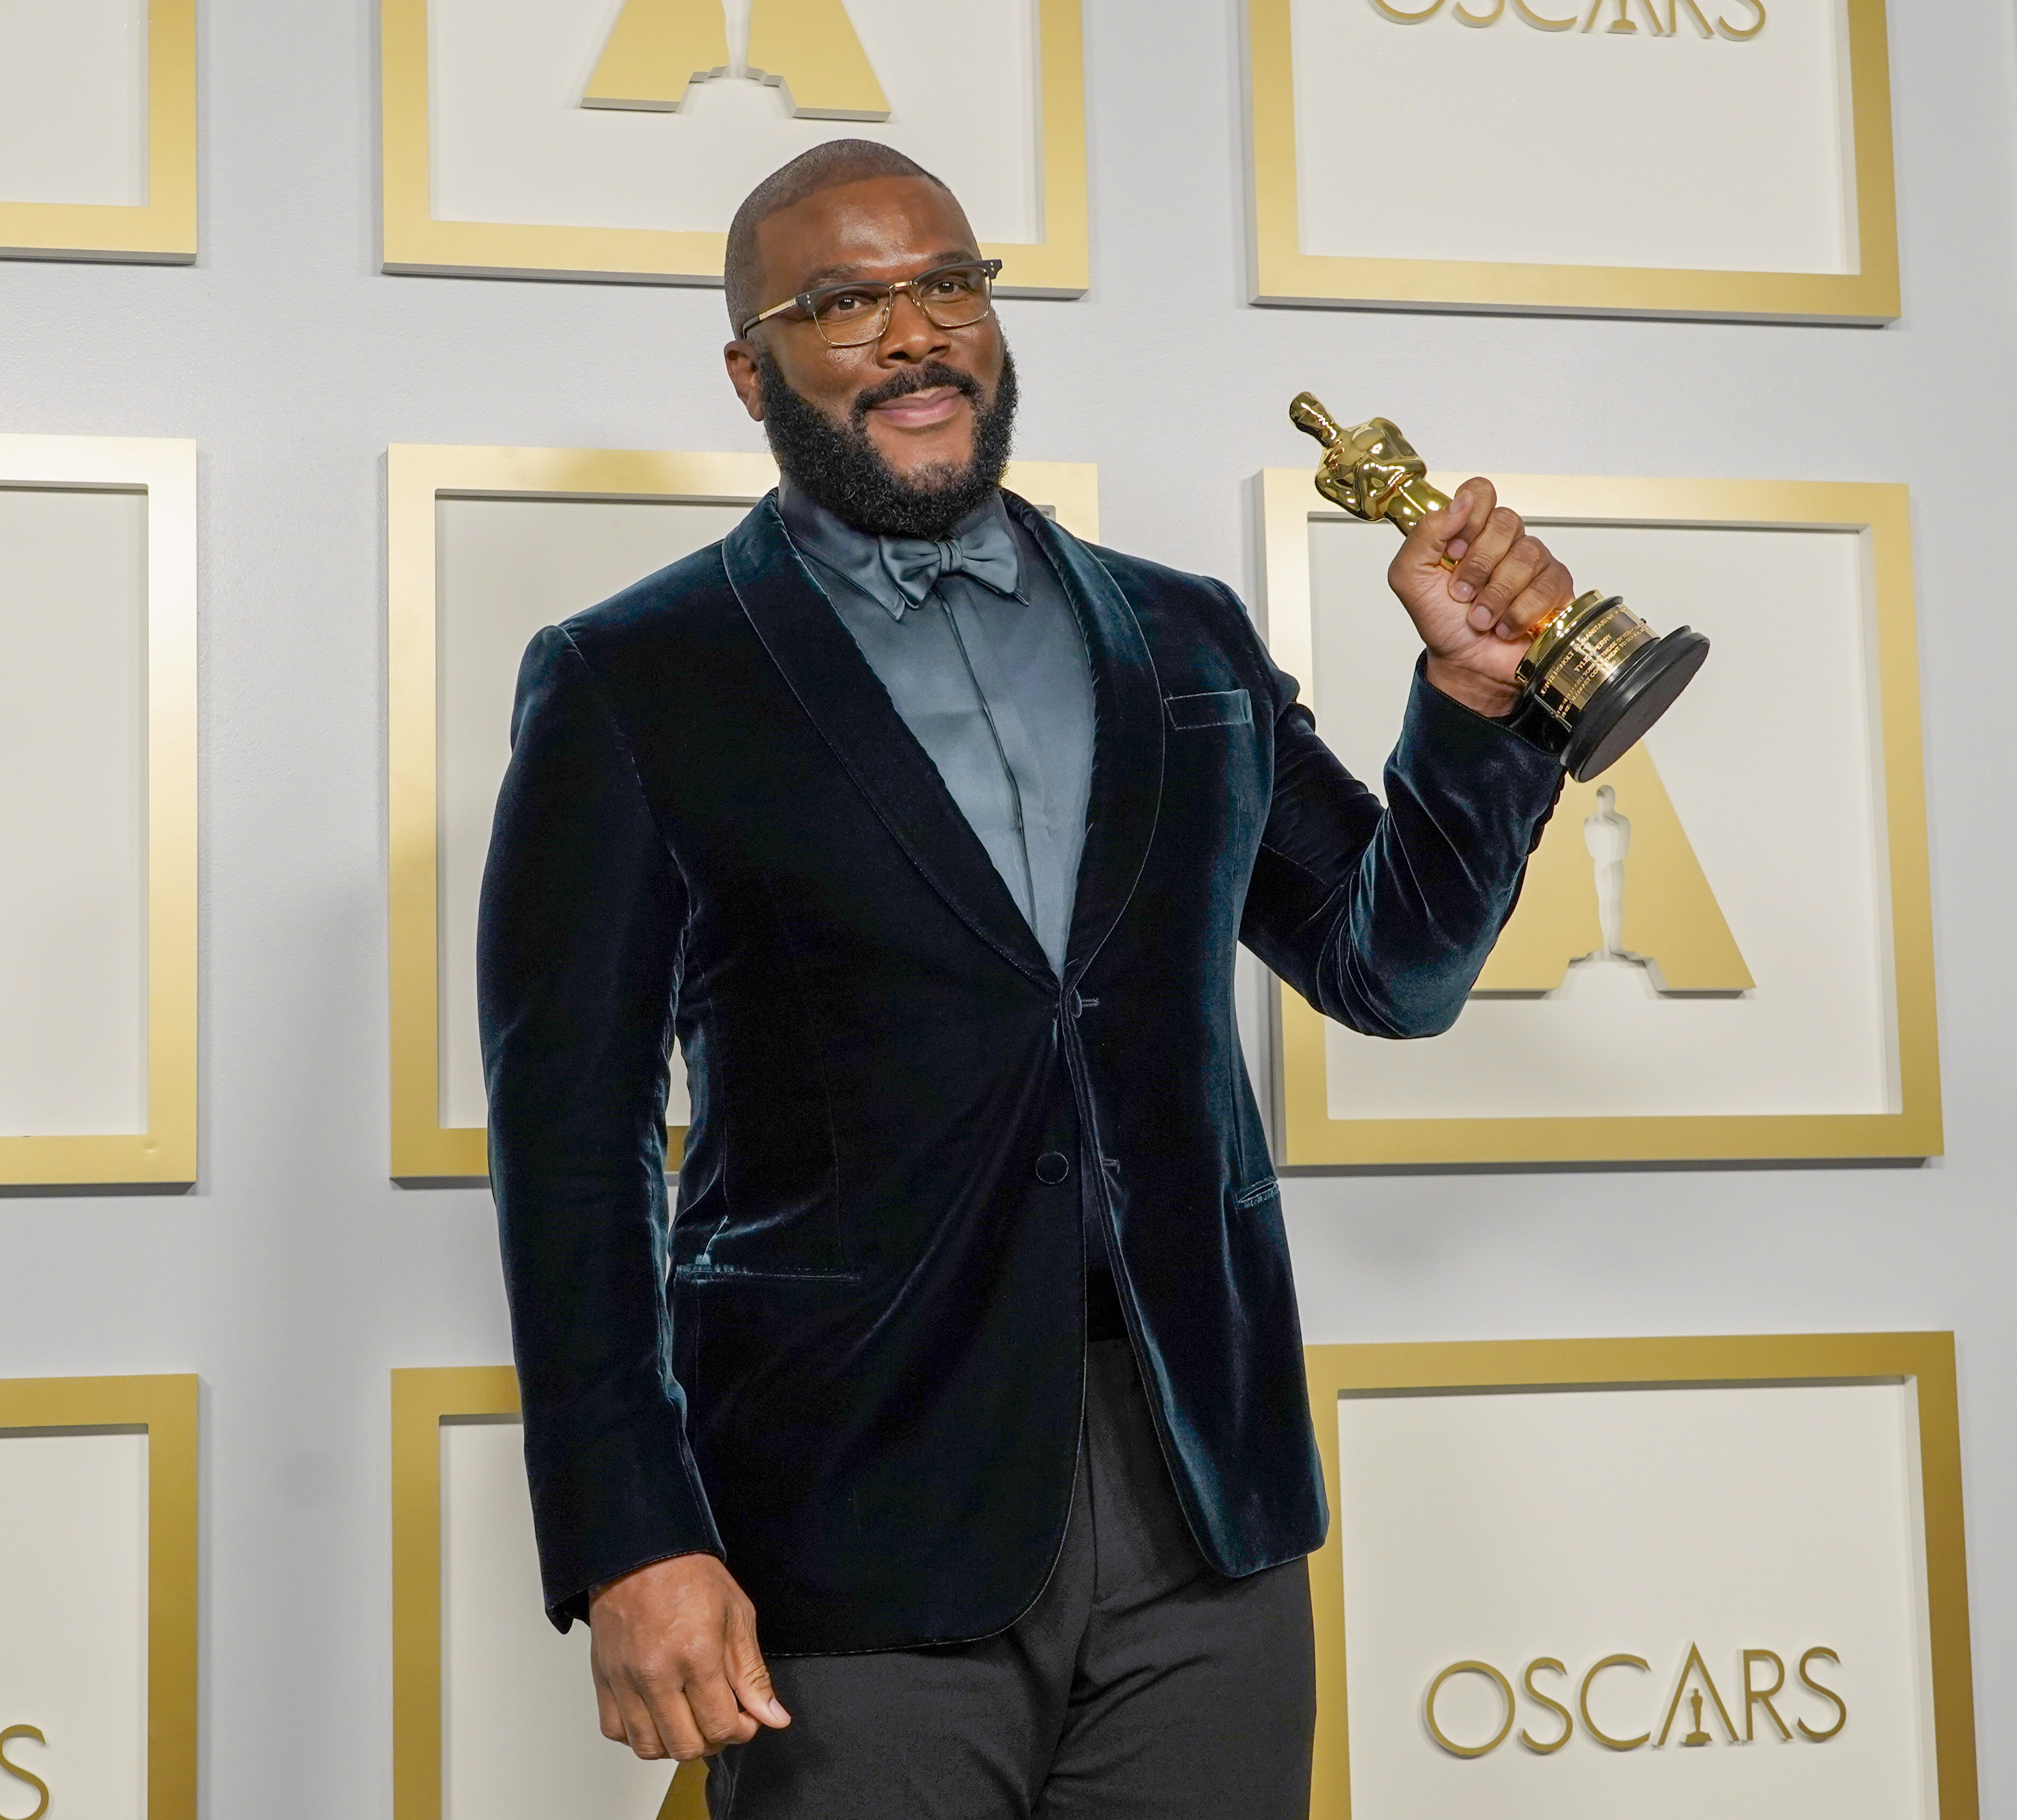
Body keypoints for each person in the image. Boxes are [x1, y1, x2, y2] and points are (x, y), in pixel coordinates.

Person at [479, 140, 1572, 1820]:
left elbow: (1390, 966)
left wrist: (1476, 704)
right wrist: (632, 1534)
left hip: (1203, 1497)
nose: (914, 332)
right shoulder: (633, 678)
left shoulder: (1184, 635)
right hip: (848, 1511)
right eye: (842, 302)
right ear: (751, 369)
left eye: (948, 282)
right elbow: (572, 1148)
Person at [1584, 782, 1631, 958]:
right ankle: (1608, 947)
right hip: (1604, 865)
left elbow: (1620, 851)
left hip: (1611, 865)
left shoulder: (1619, 822)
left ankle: (1613, 946)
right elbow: (1594, 850)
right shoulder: (1592, 823)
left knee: (1612, 902)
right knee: (1606, 902)